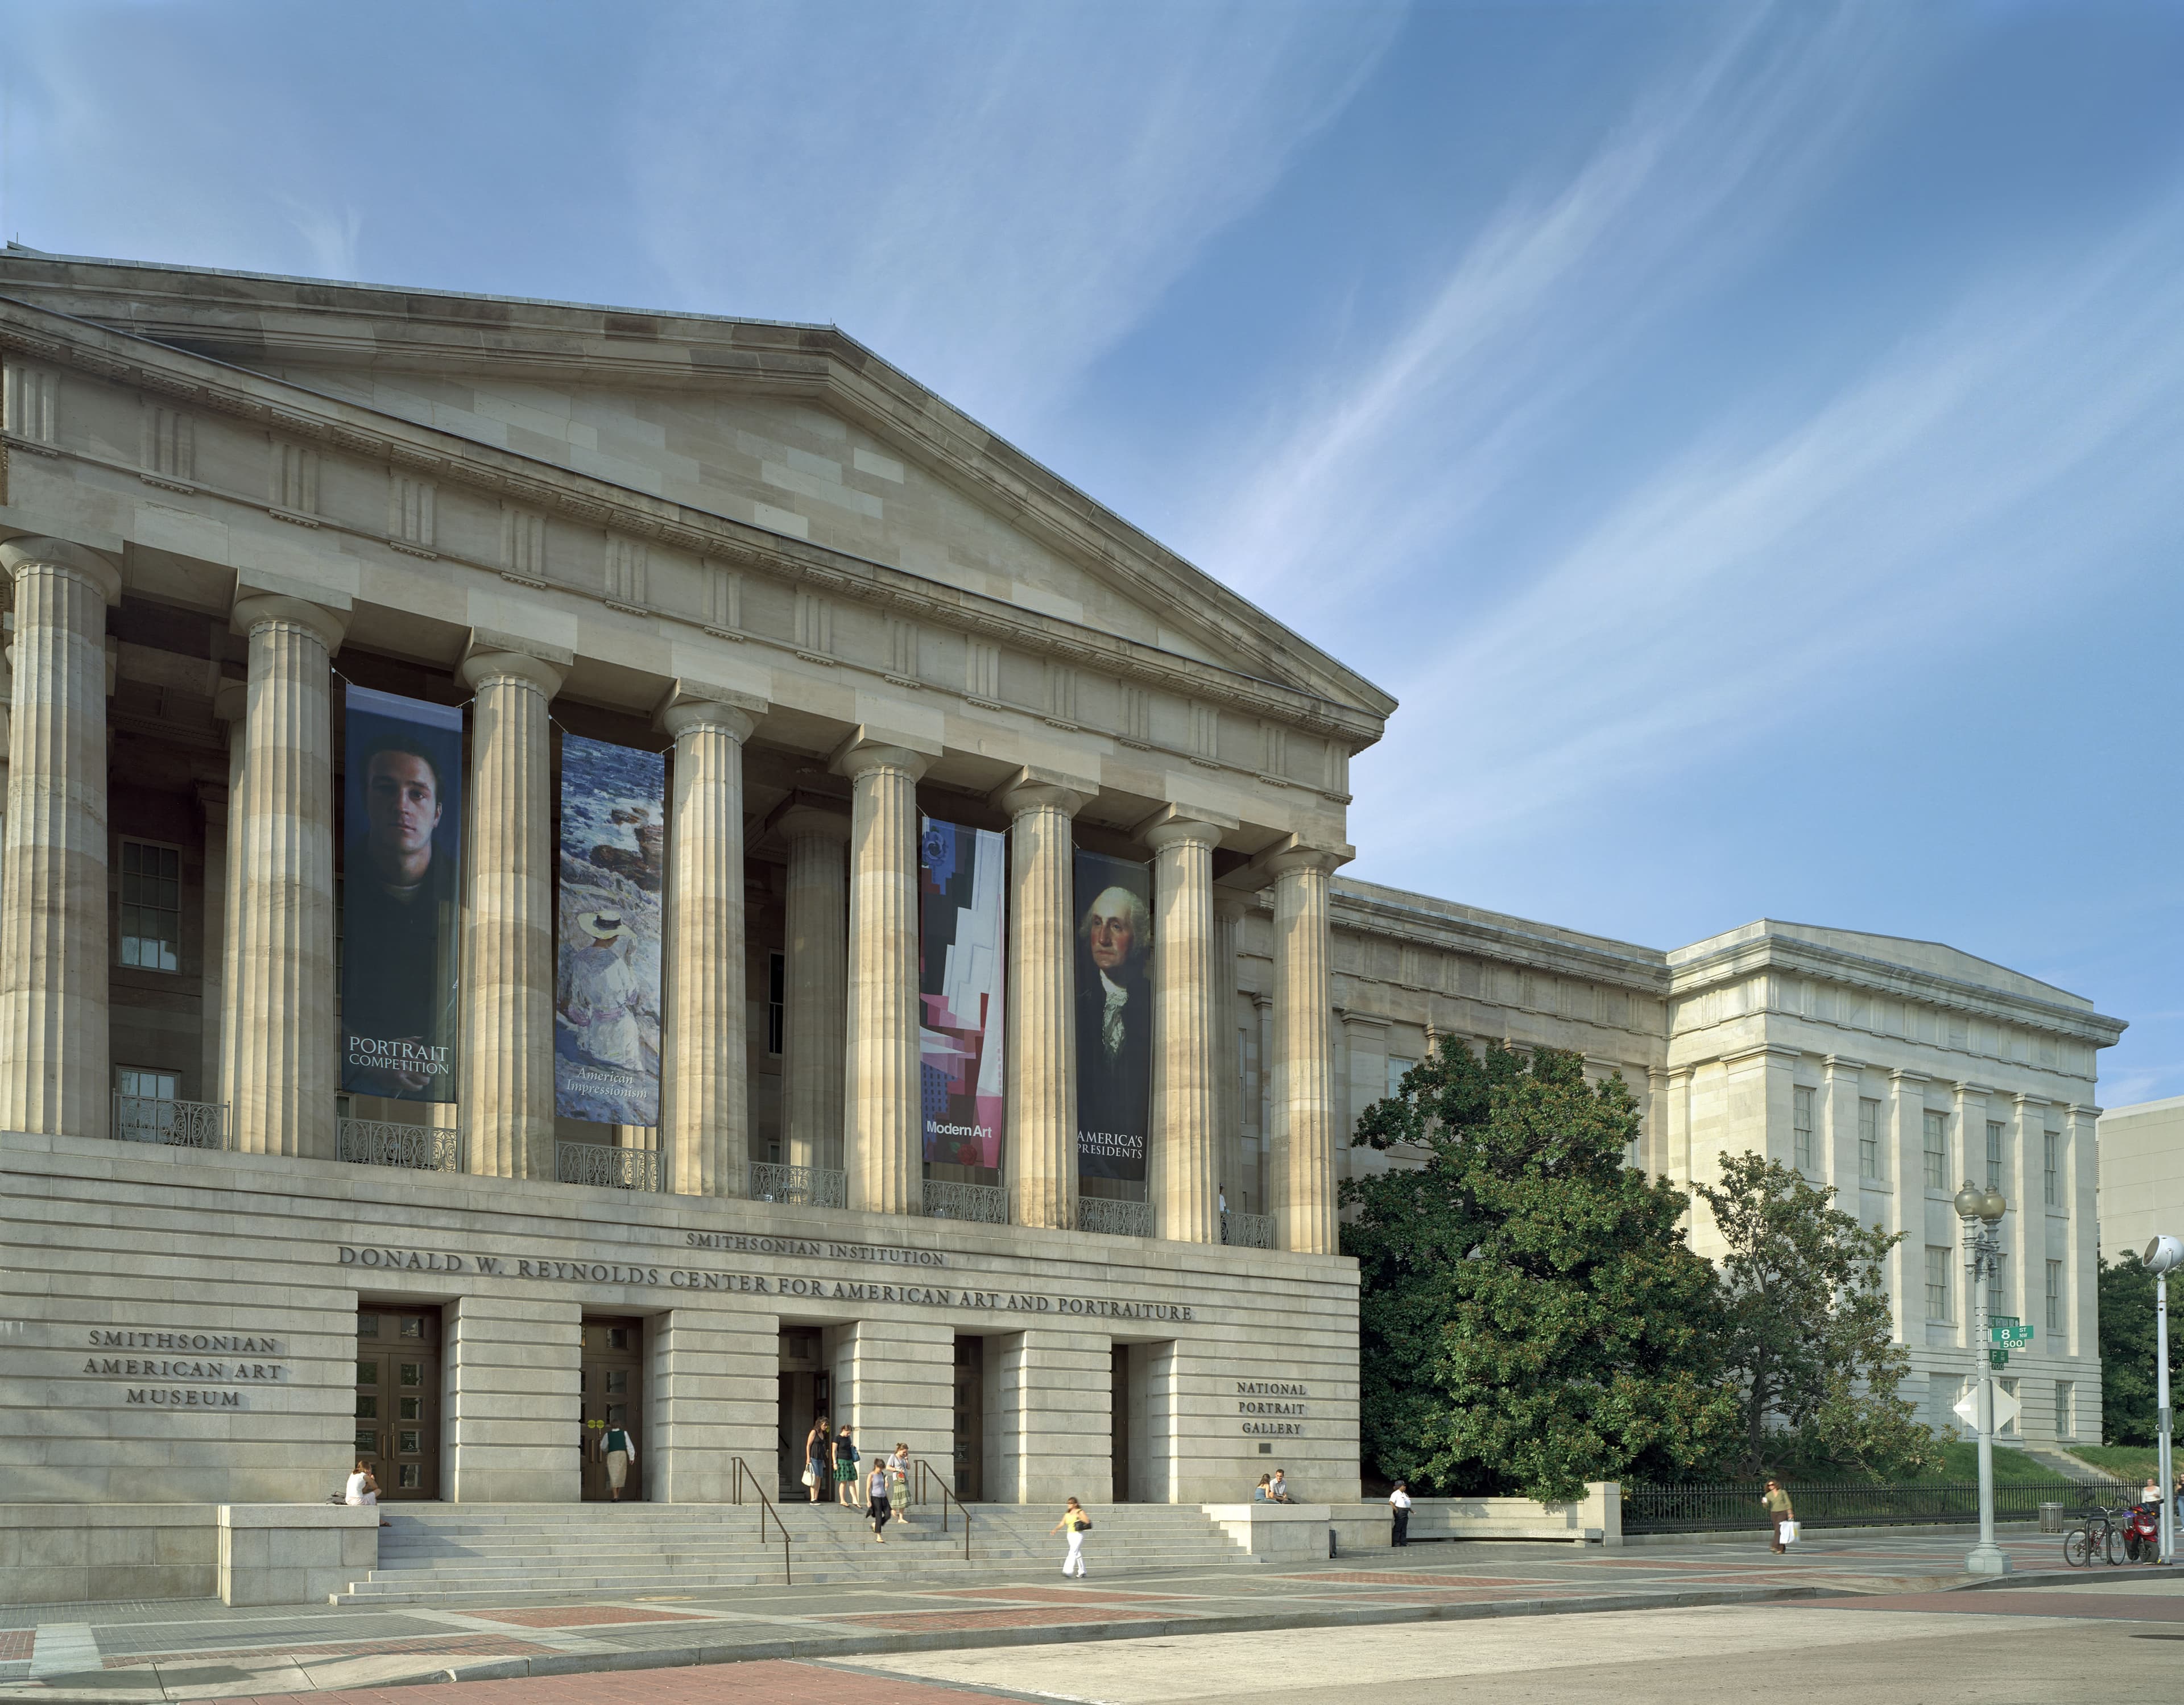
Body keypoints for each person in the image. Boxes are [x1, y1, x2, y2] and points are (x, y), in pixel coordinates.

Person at [342, 732, 460, 1098]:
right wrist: (368, 1058)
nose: (401, 806)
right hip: (351, 1094)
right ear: (366, 799)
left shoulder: (471, 897)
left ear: (437, 813)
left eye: (417, 794)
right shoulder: (331, 883)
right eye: (385, 789)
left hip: (450, 1098)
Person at [1074, 884, 1152, 1168]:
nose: (1103, 938)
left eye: (1116, 926)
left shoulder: (1156, 1007)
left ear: (1137, 938)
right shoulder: (1074, 1004)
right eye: (1097, 924)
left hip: (1131, 1152)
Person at [1052, 1496, 1090, 1579]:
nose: (1069, 1504)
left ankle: (1068, 1571)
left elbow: (1087, 1521)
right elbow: (1062, 1523)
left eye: (1070, 1503)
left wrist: (1079, 1518)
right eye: (1068, 1503)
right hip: (1070, 1535)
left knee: (1073, 1552)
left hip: (1078, 1534)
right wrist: (1055, 1529)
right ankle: (1082, 1571)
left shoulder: (1080, 1511)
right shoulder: (1067, 1514)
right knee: (1077, 1553)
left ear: (1075, 1504)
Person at [598, 1418, 636, 1502]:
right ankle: (617, 1496)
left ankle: (615, 1496)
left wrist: (609, 1448)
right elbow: (629, 1446)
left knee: (613, 1475)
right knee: (621, 1475)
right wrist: (632, 1457)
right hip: (622, 1455)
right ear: (620, 1425)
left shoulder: (608, 1435)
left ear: (611, 1425)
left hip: (612, 1455)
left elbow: (603, 1447)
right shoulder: (624, 1433)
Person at [804, 1416, 832, 1504]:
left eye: (827, 1425)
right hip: (814, 1457)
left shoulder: (823, 1434)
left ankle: (816, 1497)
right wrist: (808, 1457)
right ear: (820, 1424)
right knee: (815, 1477)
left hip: (821, 1458)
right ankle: (813, 1498)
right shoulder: (814, 1432)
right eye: (824, 1425)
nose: (826, 1427)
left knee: (819, 1477)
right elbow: (808, 1445)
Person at [1762, 1479, 1795, 1554]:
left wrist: (1790, 1513)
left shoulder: (1782, 1492)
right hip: (1774, 1513)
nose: (1771, 1486)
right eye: (1769, 1485)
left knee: (1778, 1529)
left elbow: (1787, 1502)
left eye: (1772, 1485)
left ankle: (1774, 1546)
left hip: (1783, 1512)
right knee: (1780, 1530)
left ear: (1776, 1485)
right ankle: (1781, 1549)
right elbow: (1766, 1506)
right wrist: (1764, 1503)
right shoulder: (1768, 1495)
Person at [834, 1428, 863, 1509]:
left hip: (849, 1460)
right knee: (843, 1481)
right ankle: (842, 1500)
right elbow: (834, 1451)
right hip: (841, 1461)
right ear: (843, 1430)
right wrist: (835, 1463)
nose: (849, 1434)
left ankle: (855, 1500)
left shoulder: (848, 1438)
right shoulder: (837, 1438)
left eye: (850, 1433)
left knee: (852, 1481)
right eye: (848, 1433)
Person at [867, 1459, 893, 1541]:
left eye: (882, 1468)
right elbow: (868, 1489)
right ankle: (879, 1535)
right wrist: (868, 1500)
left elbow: (883, 1486)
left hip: (883, 1497)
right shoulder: (871, 1475)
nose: (881, 1470)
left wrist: (886, 1483)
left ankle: (876, 1525)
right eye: (880, 1468)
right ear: (876, 1466)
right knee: (878, 1516)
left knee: (888, 1515)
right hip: (875, 1497)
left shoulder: (882, 1474)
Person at [888, 1442, 913, 1522]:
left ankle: (901, 1518)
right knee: (899, 1494)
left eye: (906, 1453)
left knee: (904, 1497)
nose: (905, 1454)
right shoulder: (893, 1457)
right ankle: (893, 1509)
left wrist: (906, 1459)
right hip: (898, 1478)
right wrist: (897, 1470)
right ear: (899, 1450)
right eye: (904, 1452)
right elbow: (888, 1467)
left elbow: (908, 1467)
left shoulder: (903, 1458)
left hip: (904, 1478)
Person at [1391, 1481, 1413, 1548]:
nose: (1405, 1487)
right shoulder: (1396, 1494)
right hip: (1400, 1511)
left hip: (1405, 1511)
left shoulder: (1405, 1494)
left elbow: (1407, 1504)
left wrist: (1411, 1510)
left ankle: (1403, 1542)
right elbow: (1391, 1502)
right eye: (1403, 1486)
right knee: (1398, 1527)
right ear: (1399, 1486)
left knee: (1404, 1528)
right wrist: (1396, 1510)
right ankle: (1395, 1542)